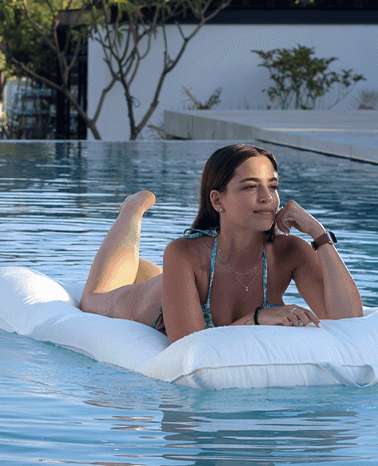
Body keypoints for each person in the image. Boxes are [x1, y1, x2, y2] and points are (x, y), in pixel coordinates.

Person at [80, 143, 362, 342]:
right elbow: (190, 346)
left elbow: (348, 320)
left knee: (162, 277)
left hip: (181, 284)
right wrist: (258, 317)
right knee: (93, 299)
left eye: (273, 186)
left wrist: (319, 234)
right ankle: (134, 208)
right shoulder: (184, 254)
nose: (267, 198)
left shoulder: (291, 252)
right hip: (154, 303)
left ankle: (149, 271)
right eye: (251, 187)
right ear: (217, 200)